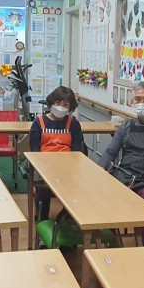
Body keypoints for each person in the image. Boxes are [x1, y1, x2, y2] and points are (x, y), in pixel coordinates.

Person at [98, 82, 144, 244]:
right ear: (132, 102)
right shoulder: (126, 127)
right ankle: (113, 241)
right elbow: (110, 152)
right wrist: (98, 171)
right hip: (124, 177)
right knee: (102, 196)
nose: (142, 103)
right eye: (138, 99)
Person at [29, 85, 84, 221]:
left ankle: (67, 219)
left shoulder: (73, 123)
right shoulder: (38, 122)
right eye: (58, 103)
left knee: (73, 190)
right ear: (51, 103)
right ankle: (42, 220)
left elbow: (77, 150)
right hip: (44, 167)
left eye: (65, 105)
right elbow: (35, 150)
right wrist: (45, 165)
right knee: (43, 190)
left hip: (68, 167)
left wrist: (68, 166)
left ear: (70, 107)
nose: (61, 107)